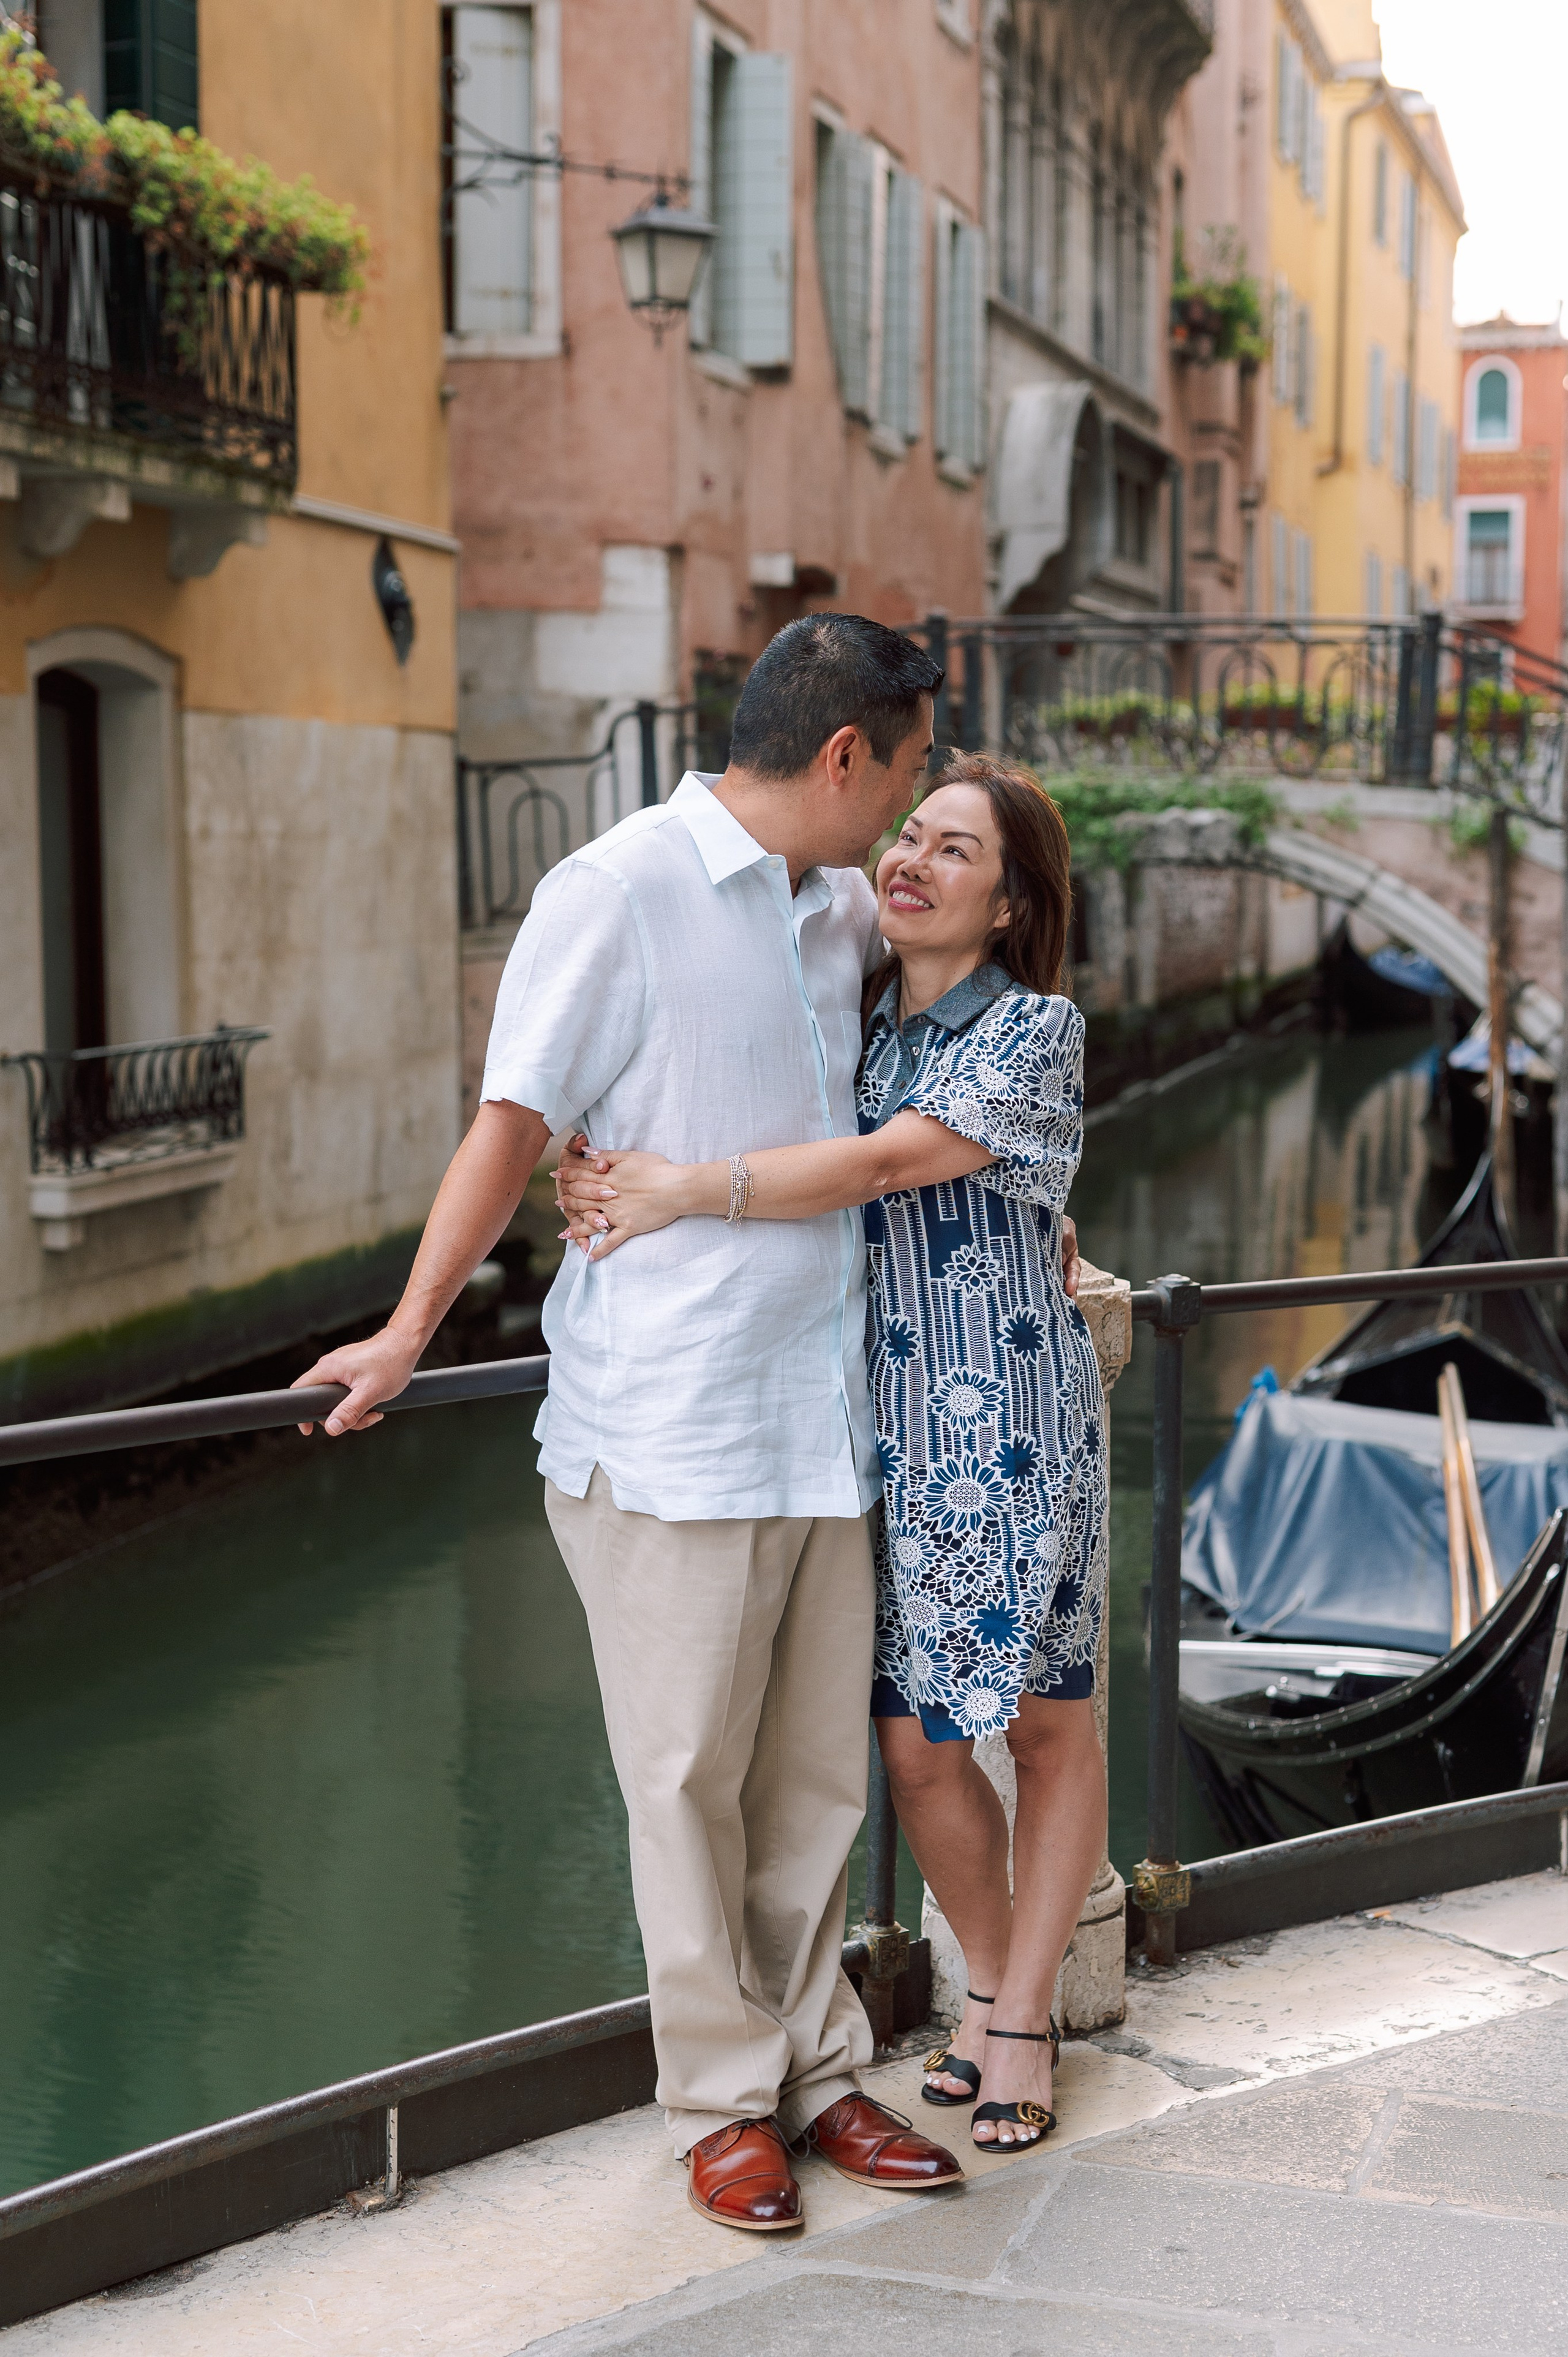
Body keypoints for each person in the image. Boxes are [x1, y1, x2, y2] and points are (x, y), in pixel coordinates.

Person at [290, 615, 971, 2233]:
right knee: (684, 1781)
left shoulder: (831, 912)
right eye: (911, 769)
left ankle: (818, 2075)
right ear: (844, 757)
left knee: (812, 1783)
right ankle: (721, 2104)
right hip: (669, 1425)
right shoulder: (615, 891)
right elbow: (515, 1125)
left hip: (823, 1416)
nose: (909, 806)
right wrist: (404, 1335)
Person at [556, 753, 1106, 2154]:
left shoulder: (1033, 1028)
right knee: (916, 1754)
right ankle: (989, 1981)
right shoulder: (858, 1015)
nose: (909, 859)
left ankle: (1022, 2016)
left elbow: (874, 1168)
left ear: (1008, 905)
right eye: (907, 835)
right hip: (876, 1432)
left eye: (953, 852)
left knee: (1043, 1729)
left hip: (1011, 1427)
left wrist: (679, 1192)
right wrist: (599, 1153)